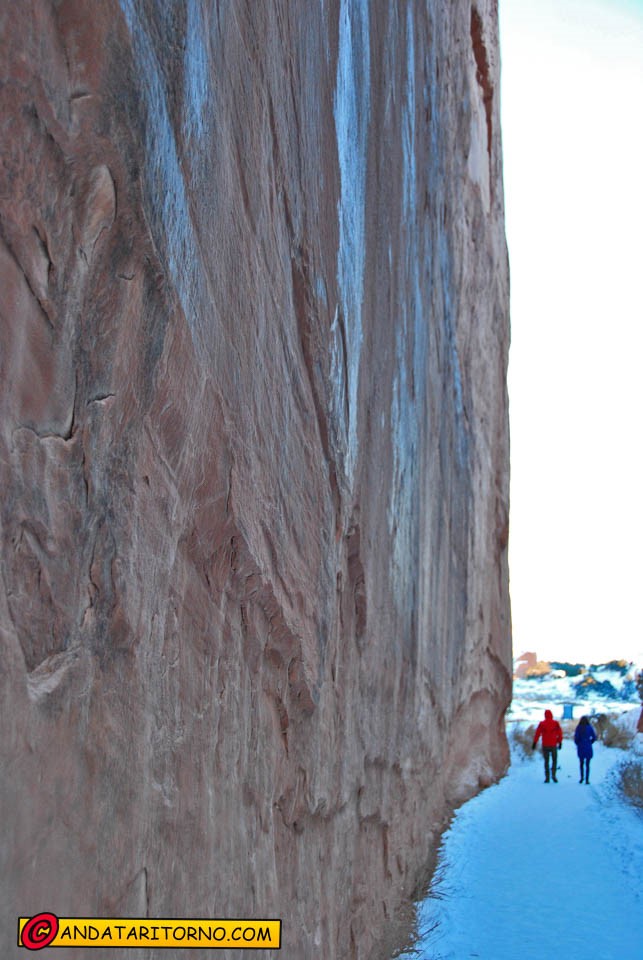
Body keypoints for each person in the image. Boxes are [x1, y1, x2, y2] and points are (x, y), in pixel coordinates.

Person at [532, 709, 563, 782]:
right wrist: (560, 742)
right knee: (554, 760)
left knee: (546, 761)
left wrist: (534, 743)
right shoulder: (555, 723)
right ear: (552, 715)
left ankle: (547, 777)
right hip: (553, 745)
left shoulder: (542, 724)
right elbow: (560, 733)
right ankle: (554, 775)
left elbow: (537, 734)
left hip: (545, 745)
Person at [574, 715, 597, 784]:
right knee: (587, 764)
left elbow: (576, 737)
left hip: (581, 746)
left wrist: (578, 743)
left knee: (581, 763)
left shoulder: (578, 728)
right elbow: (594, 737)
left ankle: (581, 778)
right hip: (588, 746)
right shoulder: (590, 727)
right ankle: (587, 779)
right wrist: (590, 742)